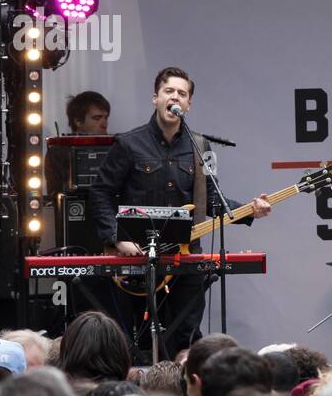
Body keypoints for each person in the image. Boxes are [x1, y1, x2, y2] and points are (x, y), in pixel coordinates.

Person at [88, 67, 272, 355]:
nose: (175, 97)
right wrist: (116, 238)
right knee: (139, 342)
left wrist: (250, 210)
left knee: (186, 339)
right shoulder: (128, 144)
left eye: (182, 94)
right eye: (169, 91)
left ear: (188, 104)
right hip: (140, 260)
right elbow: (100, 192)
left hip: (186, 258)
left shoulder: (200, 146)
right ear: (155, 98)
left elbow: (212, 200)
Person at [44, 90, 111, 198]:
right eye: (97, 118)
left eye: (106, 118)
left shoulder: (116, 147)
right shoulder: (58, 151)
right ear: (78, 121)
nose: (104, 124)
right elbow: (55, 194)